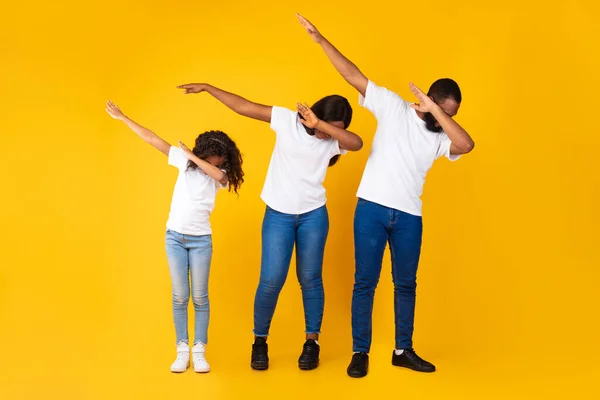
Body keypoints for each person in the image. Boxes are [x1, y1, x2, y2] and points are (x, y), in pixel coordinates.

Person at [297, 14, 475, 378]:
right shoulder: (394, 106)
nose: (444, 119)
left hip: (409, 215)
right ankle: (360, 351)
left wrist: (437, 113)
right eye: (443, 110)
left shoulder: (442, 135)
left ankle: (402, 349)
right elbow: (353, 75)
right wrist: (320, 40)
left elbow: (467, 144)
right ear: (428, 99)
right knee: (365, 282)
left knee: (406, 283)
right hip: (372, 209)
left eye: (449, 114)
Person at [176, 82, 363, 370]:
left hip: (314, 215)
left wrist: (321, 124)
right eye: (326, 124)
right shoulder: (288, 121)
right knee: (271, 280)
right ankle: (260, 341)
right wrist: (208, 88)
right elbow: (245, 106)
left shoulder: (333, 140)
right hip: (279, 214)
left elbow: (357, 143)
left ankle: (311, 342)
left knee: (311, 279)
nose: (326, 132)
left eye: (333, 127)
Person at [105, 101, 244, 373]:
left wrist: (192, 156)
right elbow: (152, 138)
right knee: (180, 296)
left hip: (201, 240)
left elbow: (218, 175)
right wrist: (123, 117)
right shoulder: (184, 163)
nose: (223, 162)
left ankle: (199, 349)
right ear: (210, 153)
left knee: (200, 297)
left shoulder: (219, 174)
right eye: (220, 157)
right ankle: (182, 350)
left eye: (224, 159)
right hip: (175, 238)